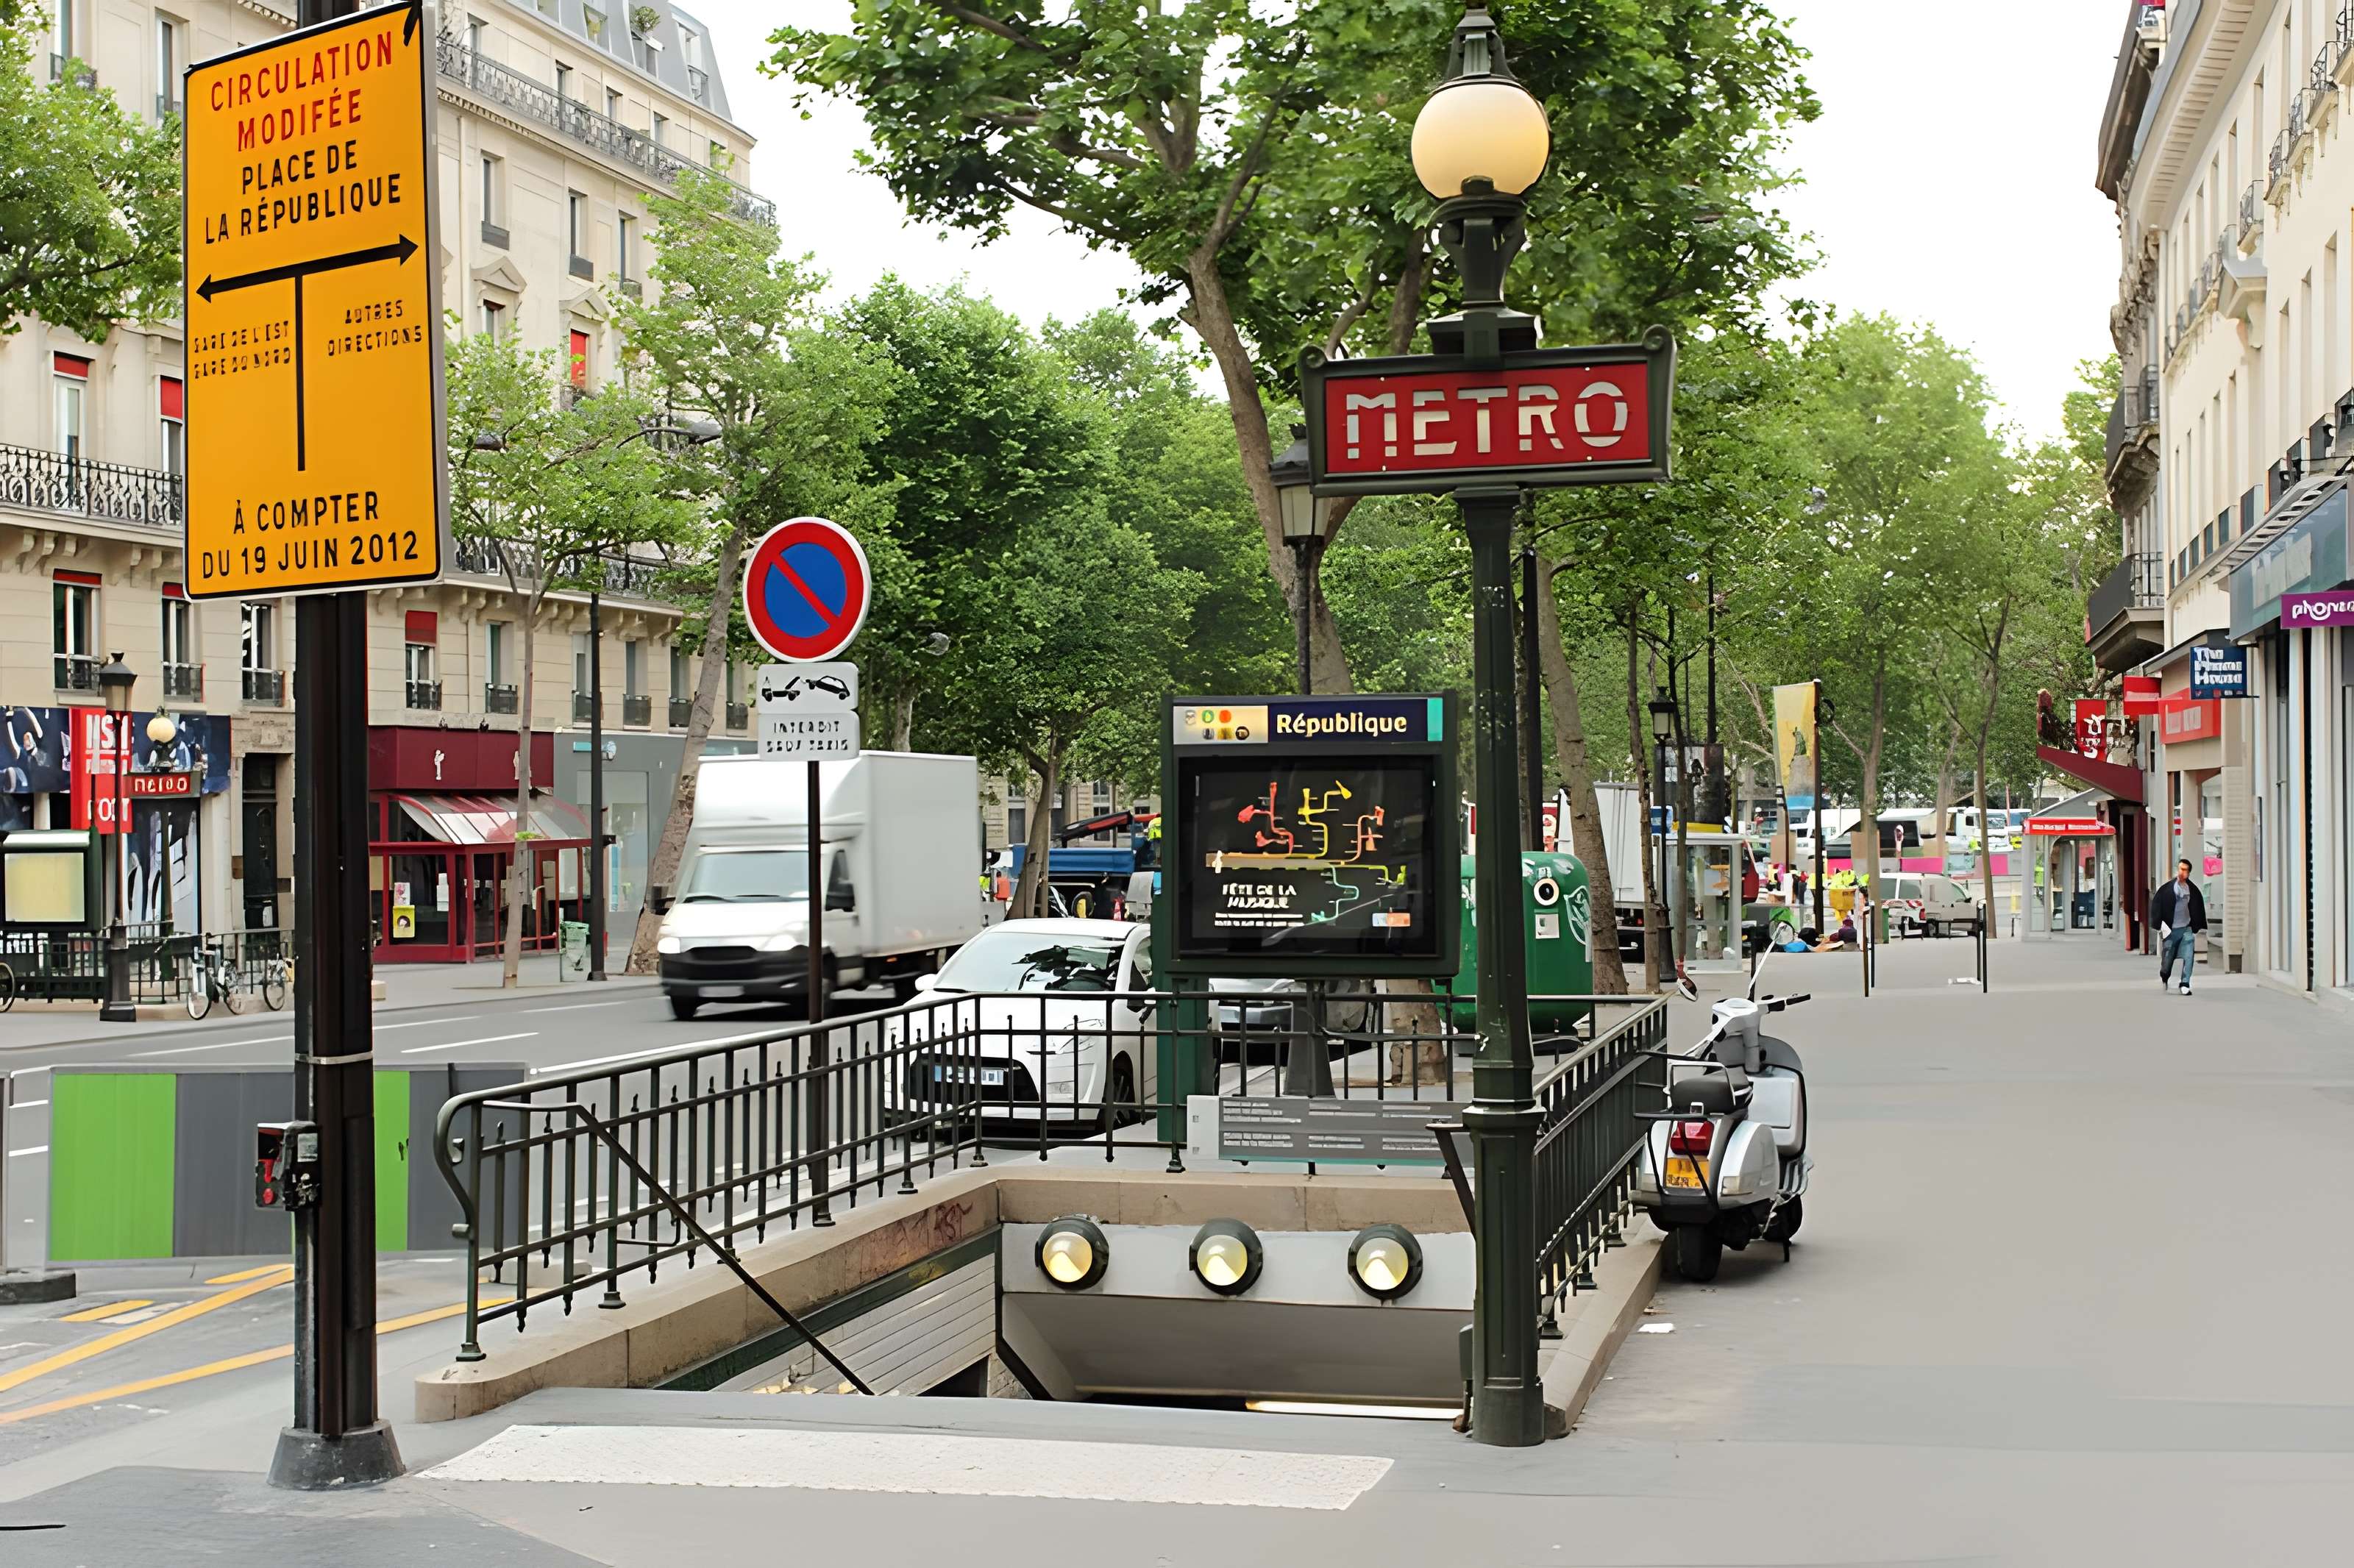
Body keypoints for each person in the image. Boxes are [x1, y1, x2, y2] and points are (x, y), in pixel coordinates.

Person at [2149, 858, 2208, 996]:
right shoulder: (2166, 890)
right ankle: (2165, 975)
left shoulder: (2192, 890)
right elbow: (2156, 908)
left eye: (2186, 870)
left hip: (2186, 928)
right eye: (2181, 869)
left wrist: (2197, 926)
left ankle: (2185, 983)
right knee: (2168, 958)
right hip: (2170, 930)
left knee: (2189, 956)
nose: (2183, 872)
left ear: (2189, 873)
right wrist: (2161, 926)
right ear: (2178, 870)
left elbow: (2198, 907)